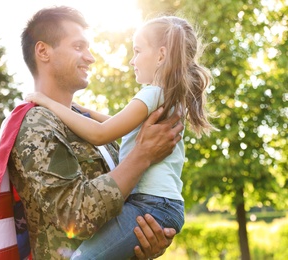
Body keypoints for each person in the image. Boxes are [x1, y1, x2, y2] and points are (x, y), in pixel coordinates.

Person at [25, 14, 217, 260]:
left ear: (160, 56)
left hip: (150, 205)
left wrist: (46, 102)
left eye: (137, 51)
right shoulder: (165, 96)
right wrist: (84, 111)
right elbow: (118, 125)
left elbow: (101, 134)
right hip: (160, 205)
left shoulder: (152, 94)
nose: (131, 60)